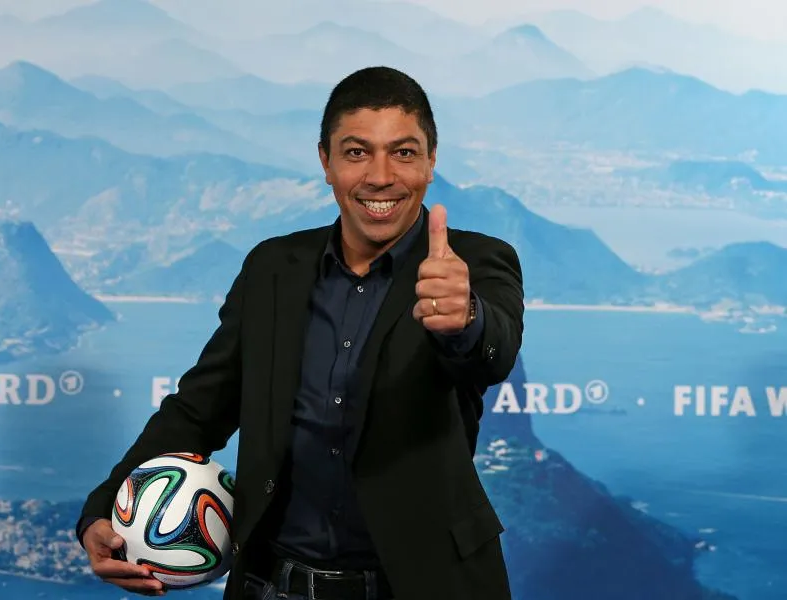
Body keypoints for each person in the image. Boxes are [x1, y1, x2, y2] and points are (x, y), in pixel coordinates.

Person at [76, 65, 524, 600]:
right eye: (357, 152)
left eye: (404, 152)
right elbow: (199, 409)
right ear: (326, 162)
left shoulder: (472, 262)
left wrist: (466, 318)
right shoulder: (272, 268)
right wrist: (104, 510)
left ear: (431, 162)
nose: (381, 176)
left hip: (425, 585)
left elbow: (494, 352)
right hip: (271, 585)